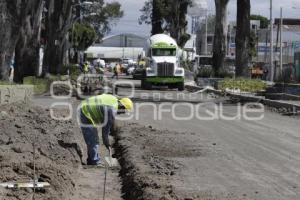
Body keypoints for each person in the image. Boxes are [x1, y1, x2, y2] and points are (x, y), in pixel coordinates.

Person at [79, 94, 133, 166]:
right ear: (122, 107)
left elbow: (110, 125)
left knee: (93, 138)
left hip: (86, 106)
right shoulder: (111, 111)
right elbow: (105, 133)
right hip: (85, 111)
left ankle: (91, 160)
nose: (122, 113)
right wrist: (107, 143)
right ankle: (94, 161)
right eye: (124, 111)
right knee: (93, 139)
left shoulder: (114, 101)